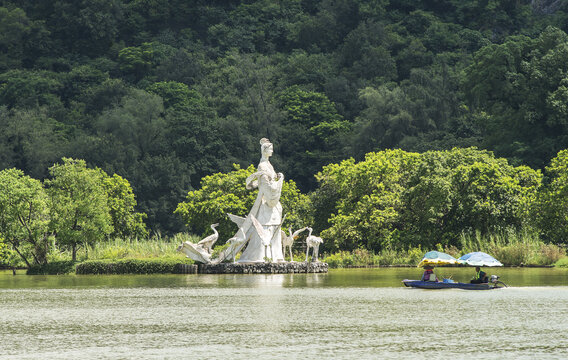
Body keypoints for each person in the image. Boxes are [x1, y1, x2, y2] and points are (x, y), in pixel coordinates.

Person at [237, 138, 285, 263]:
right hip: (264, 201)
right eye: (270, 149)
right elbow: (264, 185)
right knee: (263, 229)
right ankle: (261, 256)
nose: (272, 152)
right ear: (265, 151)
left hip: (272, 204)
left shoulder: (269, 165)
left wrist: (278, 178)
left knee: (275, 228)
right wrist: (279, 182)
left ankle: (276, 256)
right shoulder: (262, 165)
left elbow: (267, 182)